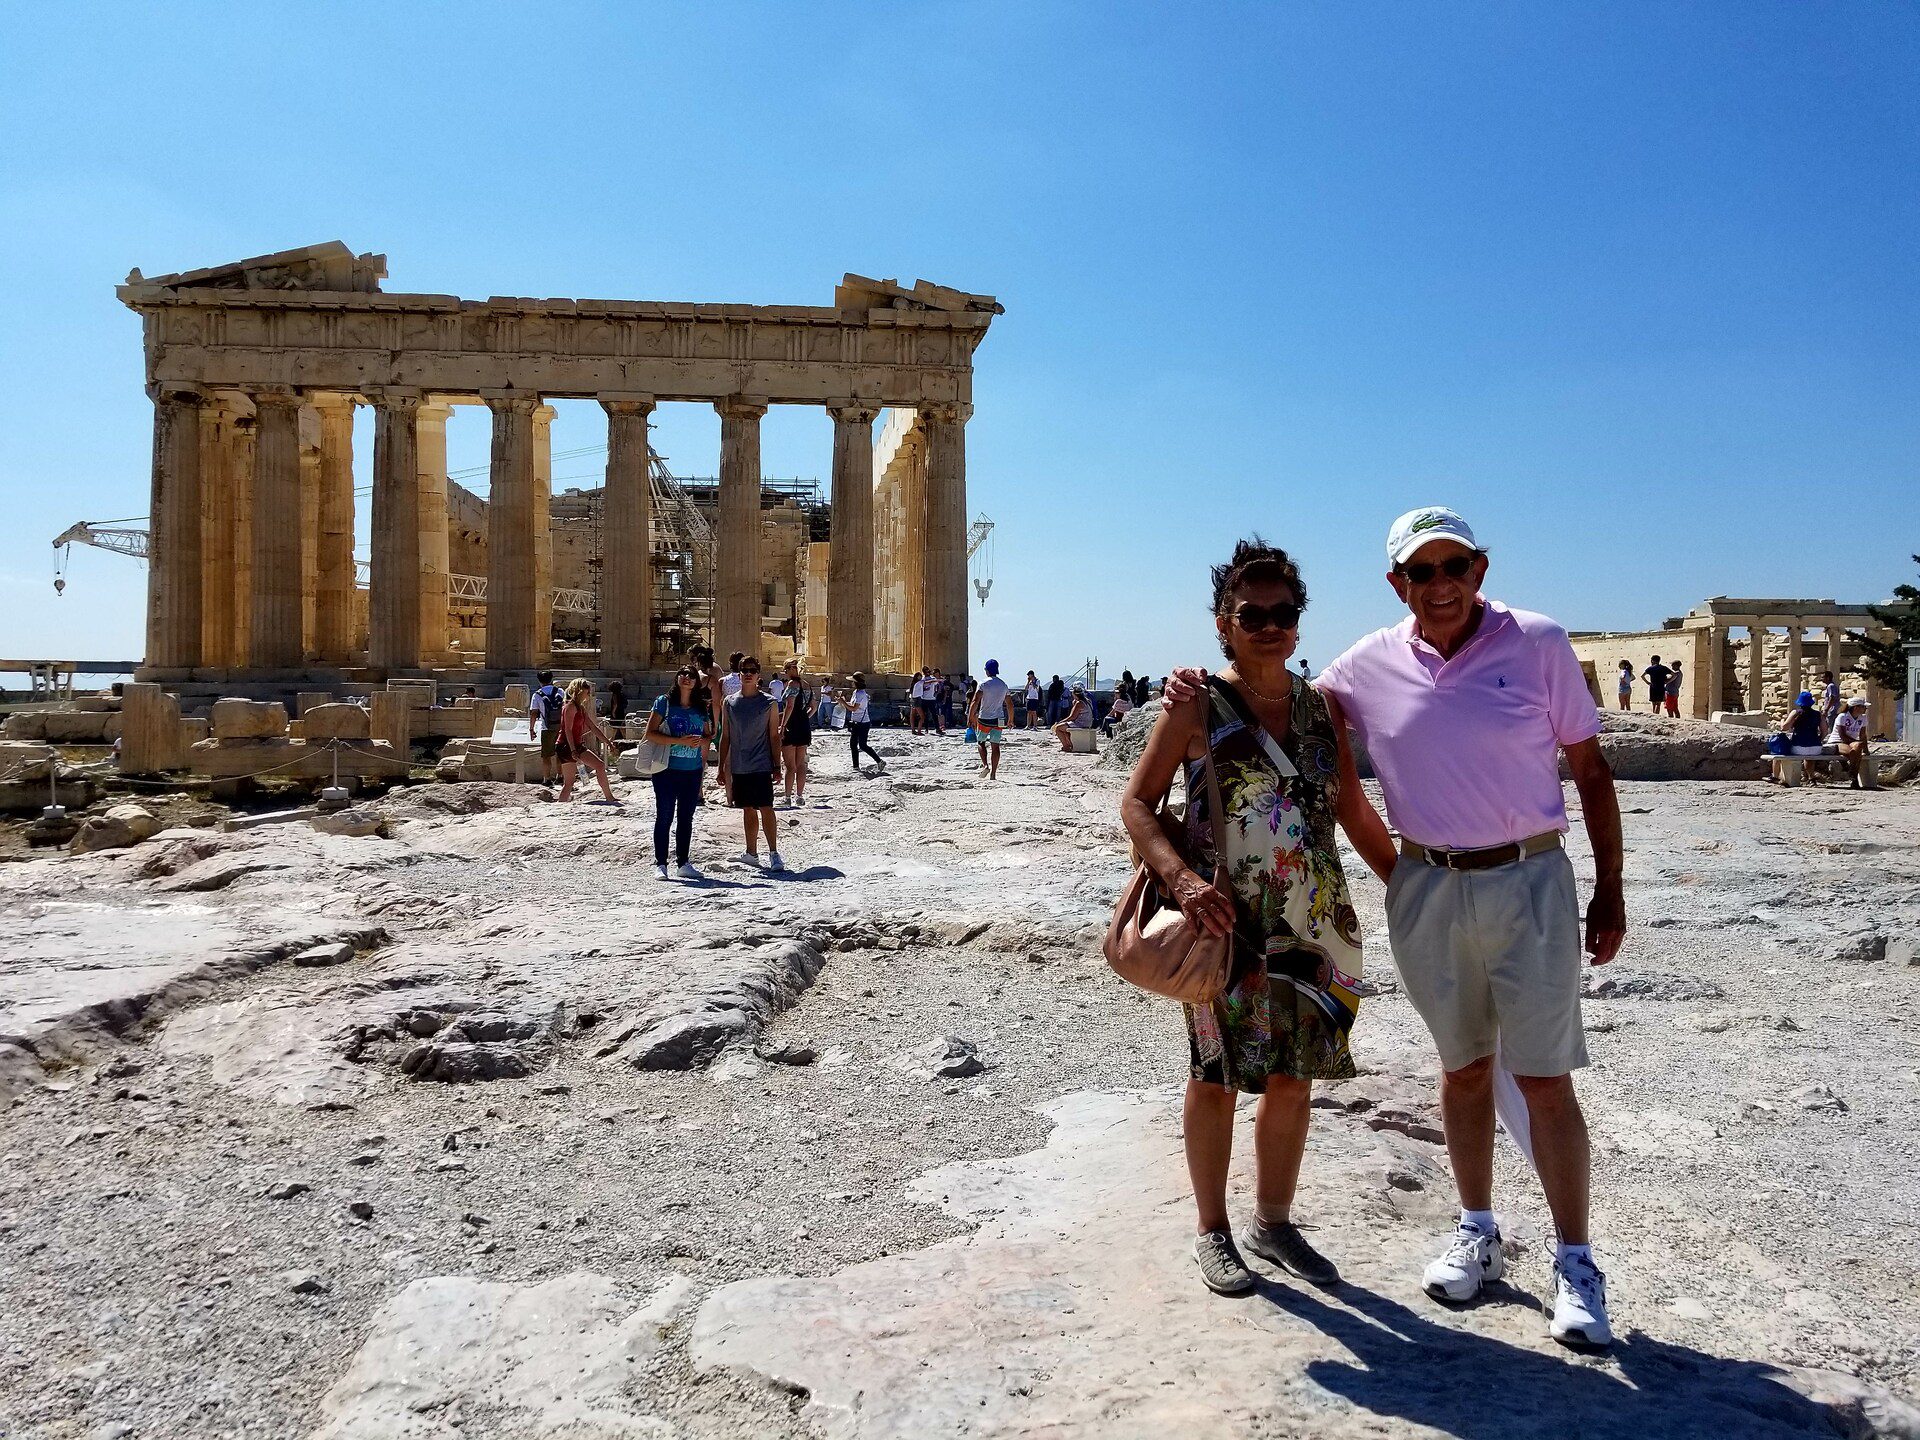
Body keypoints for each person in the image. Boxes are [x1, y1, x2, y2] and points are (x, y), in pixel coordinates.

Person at [1164, 505, 1626, 1349]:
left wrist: (1609, 890)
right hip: (1336, 899)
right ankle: (1466, 1230)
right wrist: (1405, 881)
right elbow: (1182, 773)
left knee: (1540, 1076)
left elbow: (1588, 771)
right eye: (1421, 572)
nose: (1439, 584)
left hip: (1506, 882)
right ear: (1396, 583)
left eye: (1454, 566)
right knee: (1448, 1069)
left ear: (1479, 570)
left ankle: (1575, 1260)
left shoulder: (1532, 643)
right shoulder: (1338, 673)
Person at [1123, 538, 1391, 1296]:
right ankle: (1212, 1231)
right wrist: (1179, 881)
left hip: (1316, 924)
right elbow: (1138, 804)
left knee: (1293, 1078)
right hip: (1225, 927)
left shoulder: (1320, 710)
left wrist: (1411, 885)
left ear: (1299, 623)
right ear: (1224, 622)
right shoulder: (1197, 705)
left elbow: (1352, 810)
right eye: (1253, 614)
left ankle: (1274, 1224)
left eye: (1283, 613)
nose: (1270, 626)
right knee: (1214, 1077)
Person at [645, 665, 711, 880]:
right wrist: (678, 741)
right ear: (677, 678)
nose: (687, 677)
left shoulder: (701, 708)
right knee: (664, 816)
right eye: (683, 673)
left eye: (691, 675)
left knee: (686, 818)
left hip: (692, 770)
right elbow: (650, 734)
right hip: (666, 769)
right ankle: (661, 863)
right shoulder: (663, 703)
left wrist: (701, 741)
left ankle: (683, 862)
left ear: (696, 682)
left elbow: (708, 734)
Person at [719, 657, 786, 871]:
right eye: (744, 670)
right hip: (739, 765)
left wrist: (777, 766)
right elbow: (725, 737)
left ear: (758, 675)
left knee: (766, 807)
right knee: (747, 809)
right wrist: (721, 768)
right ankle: (751, 853)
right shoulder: (728, 702)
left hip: (761, 763)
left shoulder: (769, 702)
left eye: (752, 670)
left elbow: (774, 737)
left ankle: (774, 853)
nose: (748, 674)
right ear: (739, 674)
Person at [555, 678, 619, 803]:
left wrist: (608, 742)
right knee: (569, 782)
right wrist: (573, 750)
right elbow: (567, 730)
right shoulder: (570, 707)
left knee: (599, 765)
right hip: (566, 745)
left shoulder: (581, 708)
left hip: (577, 744)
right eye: (586, 692)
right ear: (579, 691)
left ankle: (609, 797)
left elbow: (593, 727)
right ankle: (560, 805)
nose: (588, 695)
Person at [777, 660, 814, 808]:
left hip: (791, 726)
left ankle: (787, 797)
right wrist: (804, 717)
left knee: (789, 765)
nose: (786, 673)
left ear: (792, 669)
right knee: (801, 765)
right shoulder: (807, 685)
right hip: (804, 726)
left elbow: (790, 705)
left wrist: (783, 725)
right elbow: (813, 707)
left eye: (786, 670)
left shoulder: (792, 684)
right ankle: (799, 795)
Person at [1769, 690, 1827, 782]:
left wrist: (1782, 721)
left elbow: (1784, 728)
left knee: (1778, 752)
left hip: (1798, 747)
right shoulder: (1818, 714)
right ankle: (1811, 778)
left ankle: (1776, 777)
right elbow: (1825, 731)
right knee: (1809, 755)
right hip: (1816, 748)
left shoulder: (1796, 712)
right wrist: (1818, 740)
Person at [970, 658, 1012, 779]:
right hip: (999, 718)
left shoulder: (983, 683)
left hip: (984, 718)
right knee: (995, 745)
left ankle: (985, 765)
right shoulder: (1003, 685)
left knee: (981, 742)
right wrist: (1011, 719)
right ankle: (993, 773)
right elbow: (1009, 704)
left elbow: (975, 701)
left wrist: (971, 716)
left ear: (986, 670)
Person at [842, 672, 886, 776]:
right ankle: (856, 766)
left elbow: (854, 708)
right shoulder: (856, 692)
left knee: (862, 745)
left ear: (856, 682)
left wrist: (843, 703)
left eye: (853, 681)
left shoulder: (861, 694)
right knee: (853, 744)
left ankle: (880, 761)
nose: (851, 683)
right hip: (856, 722)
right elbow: (852, 705)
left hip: (863, 723)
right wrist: (842, 702)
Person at [528, 670, 566, 787]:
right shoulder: (560, 691)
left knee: (546, 755)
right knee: (560, 753)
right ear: (551, 679)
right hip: (561, 726)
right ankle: (560, 776)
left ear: (539, 681)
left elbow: (534, 713)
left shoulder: (537, 694)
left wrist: (531, 729)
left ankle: (547, 778)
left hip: (546, 727)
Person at [1829, 697, 1872, 788]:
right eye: (1863, 707)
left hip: (1851, 741)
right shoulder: (1843, 716)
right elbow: (1842, 736)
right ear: (1856, 707)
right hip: (1838, 741)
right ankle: (1854, 777)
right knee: (1854, 753)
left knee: (1857, 749)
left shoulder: (1863, 718)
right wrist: (1857, 742)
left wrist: (1866, 750)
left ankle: (1852, 772)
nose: (1865, 709)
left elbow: (1863, 735)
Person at [1051, 683, 1093, 750]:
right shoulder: (1087, 701)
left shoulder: (1079, 703)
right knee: (1064, 727)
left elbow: (1072, 717)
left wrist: (1060, 722)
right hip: (1087, 722)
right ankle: (1069, 743)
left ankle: (1066, 746)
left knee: (1058, 728)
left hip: (1081, 723)